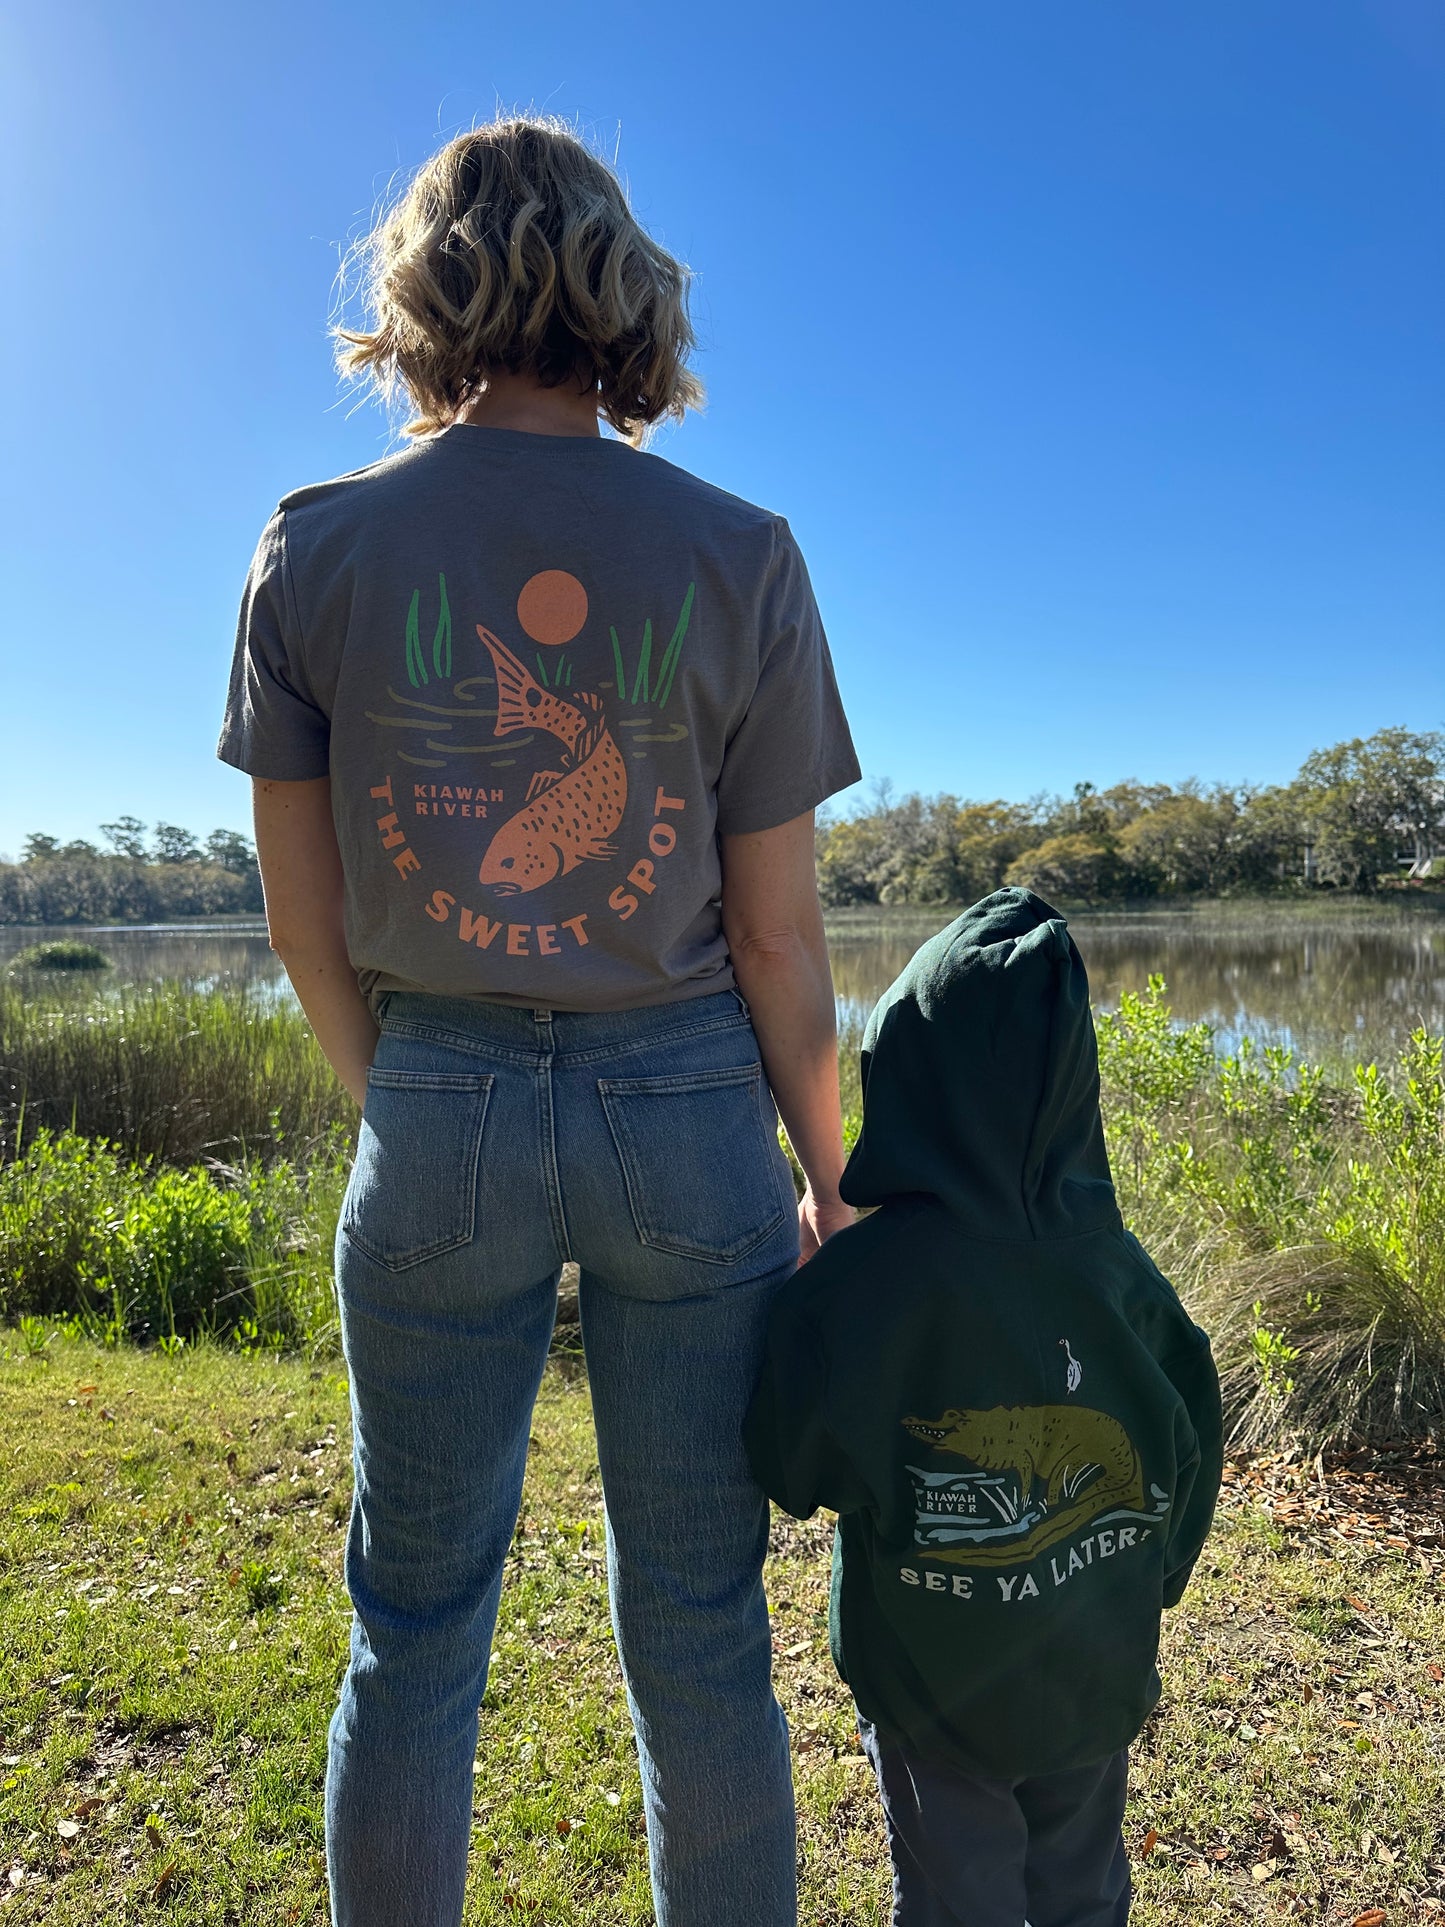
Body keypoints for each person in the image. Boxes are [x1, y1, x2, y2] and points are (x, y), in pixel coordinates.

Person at [218, 115, 860, 1927]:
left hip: (440, 1095)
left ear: (422, 286)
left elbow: (302, 917)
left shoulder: (313, 545)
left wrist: (411, 1090)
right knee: (700, 1625)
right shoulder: (746, 553)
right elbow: (779, 941)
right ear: (623, 287)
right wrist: (838, 1180)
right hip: (685, 1118)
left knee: (411, 1626)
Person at [745, 888, 1223, 1927]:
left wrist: (806, 1289)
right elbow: (1191, 1443)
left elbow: (790, 1467)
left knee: (953, 1903)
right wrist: (1147, 1581)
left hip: (930, 1696)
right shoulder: (1122, 1275)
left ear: (904, 1078)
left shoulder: (853, 1289)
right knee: (1082, 1893)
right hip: (1092, 1673)